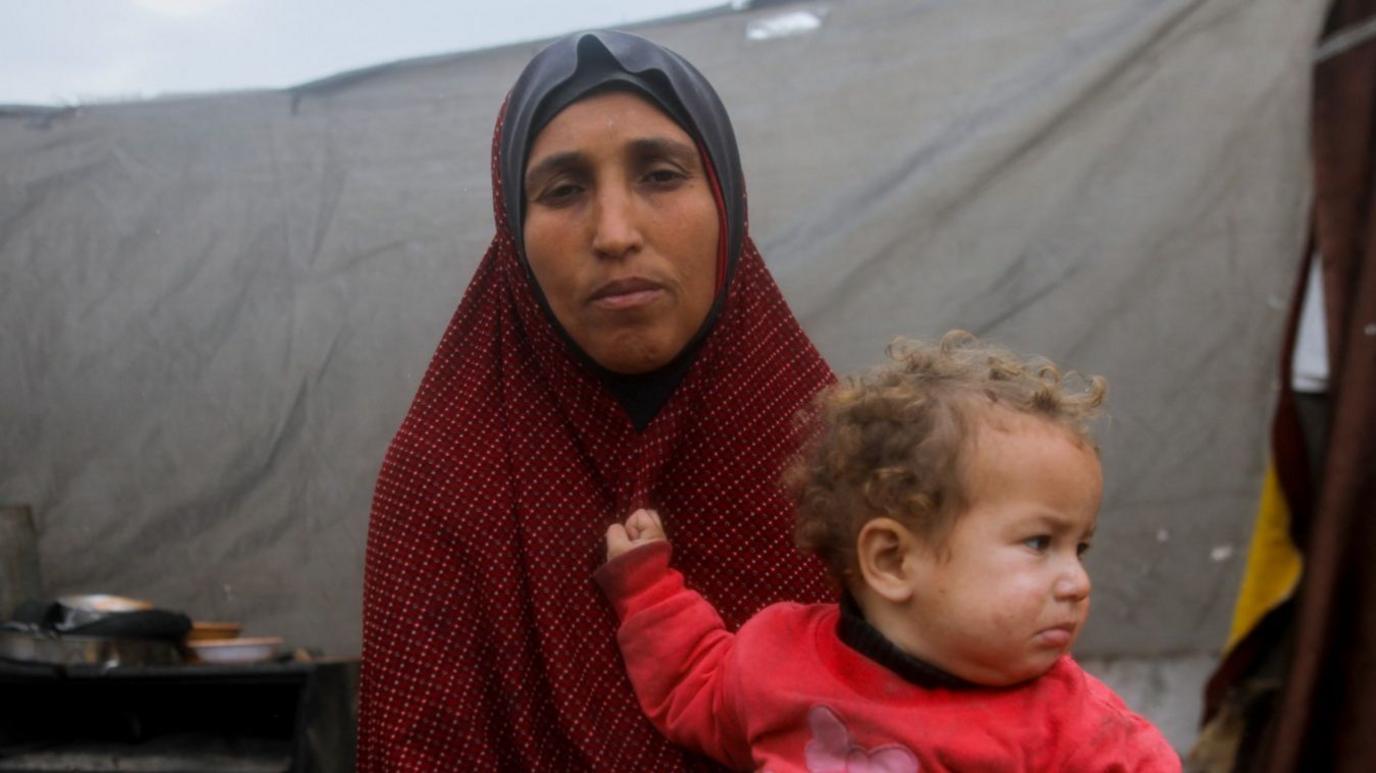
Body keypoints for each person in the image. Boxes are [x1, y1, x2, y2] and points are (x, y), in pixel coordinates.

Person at [358, 30, 835, 770]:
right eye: (564, 189)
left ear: (727, 198)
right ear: (514, 235)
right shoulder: (445, 482)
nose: (614, 233)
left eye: (661, 174)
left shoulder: (846, 472)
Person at [596, 332, 1181, 771]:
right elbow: (693, 683)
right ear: (894, 561)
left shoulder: (1077, 730)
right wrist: (647, 590)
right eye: (1039, 543)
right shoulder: (777, 659)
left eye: (1079, 548)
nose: (1077, 582)